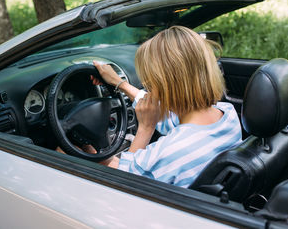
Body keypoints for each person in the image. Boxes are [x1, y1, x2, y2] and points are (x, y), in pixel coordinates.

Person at [90, 26, 242, 188]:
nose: (147, 88)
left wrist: (145, 128)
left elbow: (123, 185)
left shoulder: (171, 152)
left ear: (165, 86)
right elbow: (171, 118)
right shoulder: (227, 114)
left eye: (149, 83)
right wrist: (121, 84)